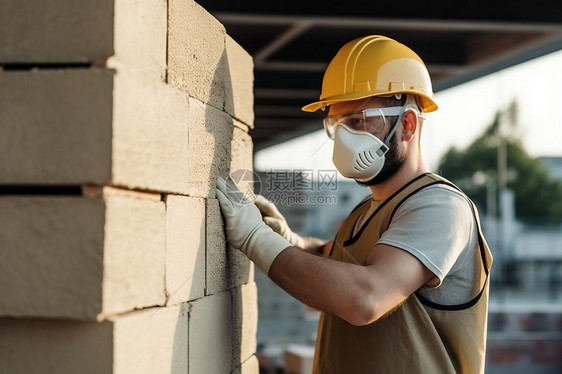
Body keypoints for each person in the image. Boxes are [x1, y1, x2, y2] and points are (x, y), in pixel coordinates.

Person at [216, 35, 493, 374]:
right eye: (338, 123)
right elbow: (333, 261)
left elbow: (366, 298)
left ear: (406, 124)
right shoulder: (367, 210)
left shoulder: (441, 209)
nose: (345, 137)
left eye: (359, 121)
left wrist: (254, 239)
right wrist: (291, 241)